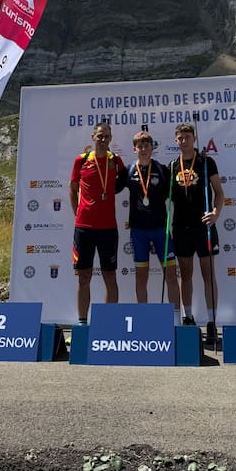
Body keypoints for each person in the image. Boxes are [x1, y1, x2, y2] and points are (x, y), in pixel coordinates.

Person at [170, 121, 224, 346]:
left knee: (208, 274)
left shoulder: (205, 162)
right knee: (186, 275)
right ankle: (188, 317)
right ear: (176, 141)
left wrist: (215, 213)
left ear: (193, 139)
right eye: (180, 138)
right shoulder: (173, 165)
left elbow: (219, 192)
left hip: (204, 226)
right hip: (181, 227)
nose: (184, 141)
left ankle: (212, 322)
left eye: (187, 137)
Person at [69, 121, 127, 324]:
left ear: (111, 139)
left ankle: (109, 324)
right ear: (93, 137)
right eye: (99, 136)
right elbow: (73, 189)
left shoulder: (116, 161)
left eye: (106, 136)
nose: (103, 139)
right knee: (83, 277)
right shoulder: (81, 160)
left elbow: (122, 182)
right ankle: (83, 323)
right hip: (84, 229)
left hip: (108, 229)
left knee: (110, 278)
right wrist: (78, 214)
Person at [126, 130, 182, 326]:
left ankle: (176, 320)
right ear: (134, 149)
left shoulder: (162, 169)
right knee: (141, 276)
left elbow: (176, 193)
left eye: (146, 145)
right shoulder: (129, 170)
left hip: (161, 230)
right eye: (139, 146)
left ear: (152, 148)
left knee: (171, 275)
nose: (143, 149)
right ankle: (143, 319)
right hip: (139, 231)